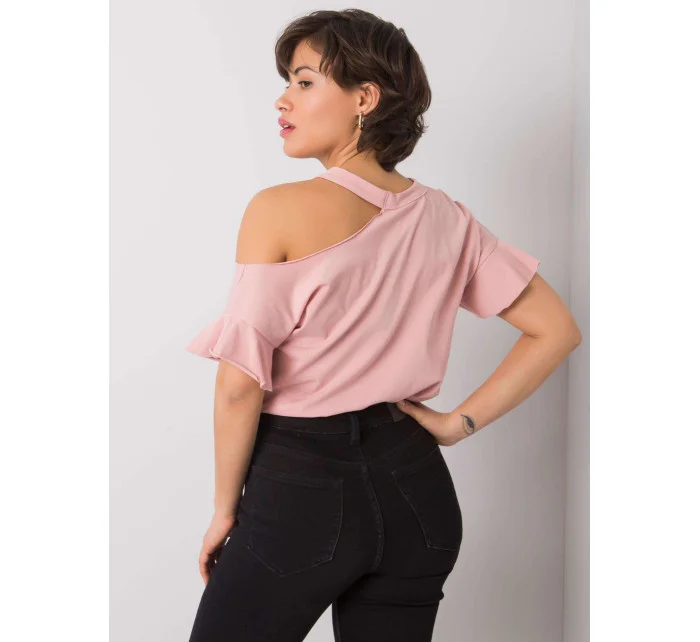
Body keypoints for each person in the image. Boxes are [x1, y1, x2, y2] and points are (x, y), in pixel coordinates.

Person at [185, 9, 582, 642]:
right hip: (417, 492)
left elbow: (239, 386)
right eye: (287, 82)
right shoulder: (448, 219)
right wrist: (454, 425)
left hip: (299, 491)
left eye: (305, 81)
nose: (283, 99)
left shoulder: (278, 209)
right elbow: (556, 328)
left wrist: (224, 511)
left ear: (365, 98)